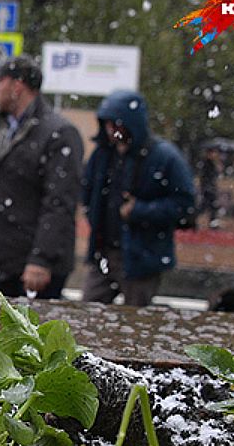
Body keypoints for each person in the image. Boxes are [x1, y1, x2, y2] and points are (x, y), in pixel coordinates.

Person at [0, 55, 83, 299]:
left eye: (0, 82)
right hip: (4, 260)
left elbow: (59, 202)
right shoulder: (8, 128)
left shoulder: (59, 133)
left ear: (17, 86)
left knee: (34, 334)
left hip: (31, 267)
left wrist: (41, 260)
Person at [81, 89, 196, 307]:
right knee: (88, 310)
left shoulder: (163, 157)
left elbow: (185, 206)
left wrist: (140, 211)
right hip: (104, 252)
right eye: (107, 124)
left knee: (136, 318)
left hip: (142, 257)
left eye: (116, 124)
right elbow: (89, 191)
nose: (110, 131)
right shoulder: (103, 155)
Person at [197, 146, 222, 227]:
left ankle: (213, 223)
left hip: (210, 187)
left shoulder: (212, 163)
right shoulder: (206, 163)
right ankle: (212, 222)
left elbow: (215, 175)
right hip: (207, 188)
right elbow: (205, 176)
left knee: (211, 206)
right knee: (206, 206)